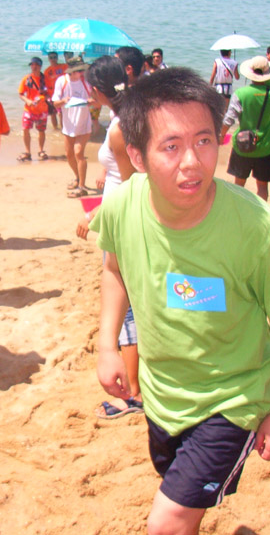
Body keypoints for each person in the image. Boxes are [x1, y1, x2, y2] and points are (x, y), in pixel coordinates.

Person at [90, 67, 270, 535]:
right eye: (170, 146)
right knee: (176, 498)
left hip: (233, 399)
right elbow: (114, 269)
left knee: (166, 522)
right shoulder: (123, 205)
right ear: (138, 156)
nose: (192, 162)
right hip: (162, 396)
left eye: (204, 141)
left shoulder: (259, 230)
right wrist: (106, 344)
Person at [77, 55, 142, 419]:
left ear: (99, 90)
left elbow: (132, 185)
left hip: (122, 221)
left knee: (125, 307)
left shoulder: (119, 127)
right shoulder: (129, 115)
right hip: (121, 215)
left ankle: (132, 395)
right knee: (130, 302)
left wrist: (95, 215)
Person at [221, 52, 270, 201]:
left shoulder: (241, 93)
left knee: (239, 185)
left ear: (250, 73)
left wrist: (221, 136)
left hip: (242, 145)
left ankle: (239, 211)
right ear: (268, 74)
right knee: (262, 187)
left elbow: (229, 119)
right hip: (266, 147)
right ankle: (260, 212)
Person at [52, 55, 92, 197]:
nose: (82, 72)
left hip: (84, 123)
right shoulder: (62, 81)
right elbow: (55, 103)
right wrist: (64, 100)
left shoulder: (86, 82)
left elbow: (96, 99)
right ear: (73, 71)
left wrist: (89, 101)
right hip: (68, 125)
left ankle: (82, 187)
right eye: (80, 70)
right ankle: (78, 177)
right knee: (69, 155)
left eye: (82, 70)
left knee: (78, 152)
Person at [17, 56, 49, 162]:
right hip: (29, 109)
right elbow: (21, 94)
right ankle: (27, 152)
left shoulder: (45, 79)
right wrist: (28, 101)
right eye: (32, 65)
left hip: (42, 109)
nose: (34, 67)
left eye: (36, 65)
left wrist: (43, 98)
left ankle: (41, 151)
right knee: (25, 129)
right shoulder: (27, 79)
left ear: (40, 66)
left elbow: (50, 93)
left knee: (41, 130)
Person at [44, 52, 68, 129]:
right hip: (51, 95)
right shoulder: (47, 71)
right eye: (51, 57)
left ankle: (63, 129)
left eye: (54, 57)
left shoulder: (64, 66)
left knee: (61, 114)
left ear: (57, 58)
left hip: (62, 95)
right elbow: (44, 85)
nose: (53, 59)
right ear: (48, 59)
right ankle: (55, 129)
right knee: (52, 114)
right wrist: (46, 95)